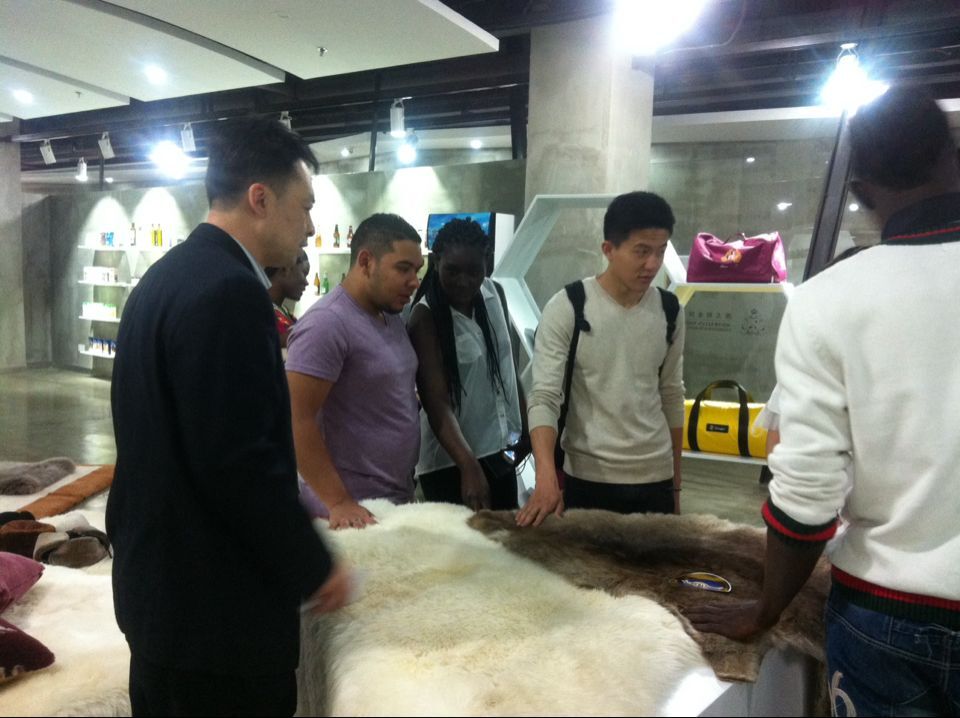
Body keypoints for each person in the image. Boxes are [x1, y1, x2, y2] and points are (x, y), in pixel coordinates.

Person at [686, 86, 960, 717]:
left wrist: (766, 608)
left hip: (888, 612)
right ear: (954, 157)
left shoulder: (831, 298)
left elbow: (807, 496)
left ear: (860, 191)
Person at [107, 117, 351, 717]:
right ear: (260, 199)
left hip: (164, 598)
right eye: (305, 206)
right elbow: (237, 461)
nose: (310, 226)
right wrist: (313, 566)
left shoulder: (167, 276)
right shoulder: (230, 293)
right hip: (215, 619)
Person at [517, 191, 685, 527]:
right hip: (588, 478)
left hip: (656, 478)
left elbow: (671, 394)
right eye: (641, 251)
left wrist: (676, 485)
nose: (653, 264)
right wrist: (546, 477)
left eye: (661, 251)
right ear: (608, 249)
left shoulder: (670, 310)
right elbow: (545, 396)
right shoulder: (569, 306)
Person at [286, 213, 424, 529]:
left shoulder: (390, 316)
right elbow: (295, 418)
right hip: (351, 510)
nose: (414, 281)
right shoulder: (327, 323)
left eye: (416, 270)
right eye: (403, 268)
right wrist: (338, 502)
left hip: (393, 498)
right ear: (366, 262)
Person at [408, 218, 527, 511]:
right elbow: (436, 402)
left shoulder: (495, 294)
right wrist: (469, 466)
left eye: (474, 271)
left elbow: (508, 367)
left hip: (499, 452)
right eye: (453, 270)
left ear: (486, 262)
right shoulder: (424, 317)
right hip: (452, 463)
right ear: (436, 261)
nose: (464, 281)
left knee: (504, 535)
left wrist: (526, 431)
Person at [266, 248, 310, 348]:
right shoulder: (264, 313)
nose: (306, 282)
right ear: (285, 269)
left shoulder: (283, 311)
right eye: (304, 273)